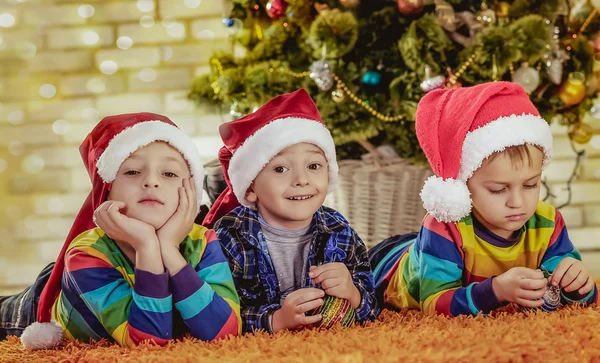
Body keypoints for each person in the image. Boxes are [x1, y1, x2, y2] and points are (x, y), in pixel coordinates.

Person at [1, 113, 241, 349]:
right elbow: (149, 341)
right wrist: (147, 245)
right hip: (34, 306)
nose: (151, 181)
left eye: (169, 173)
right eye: (132, 171)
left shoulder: (203, 240)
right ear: (107, 191)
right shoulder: (86, 254)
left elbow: (224, 333)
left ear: (190, 190)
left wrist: (167, 248)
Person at [369, 82, 598, 316]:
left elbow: (578, 298)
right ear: (463, 184)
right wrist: (495, 291)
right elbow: (434, 304)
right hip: (389, 262)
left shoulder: (547, 223)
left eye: (530, 185)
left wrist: (578, 284)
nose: (517, 202)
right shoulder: (444, 227)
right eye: (499, 189)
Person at [204, 89, 379, 333]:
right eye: (280, 169)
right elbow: (215, 314)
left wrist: (353, 293)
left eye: (314, 166)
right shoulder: (230, 237)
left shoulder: (338, 230)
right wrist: (276, 320)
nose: (301, 179)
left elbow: (373, 305)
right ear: (251, 187)